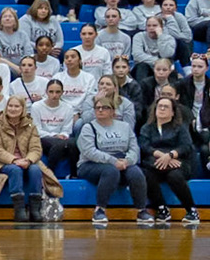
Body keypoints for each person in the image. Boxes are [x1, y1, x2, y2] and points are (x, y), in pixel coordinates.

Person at [77, 95, 148, 226]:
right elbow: (89, 152)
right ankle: (100, 210)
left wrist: (127, 161)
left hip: (121, 161)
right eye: (97, 108)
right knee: (111, 171)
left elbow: (134, 149)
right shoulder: (88, 127)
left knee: (136, 173)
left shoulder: (125, 127)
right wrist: (113, 161)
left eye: (105, 107)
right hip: (91, 164)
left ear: (113, 111)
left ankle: (142, 210)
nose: (100, 110)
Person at [0, 94, 55, 222]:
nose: (13, 109)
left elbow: (36, 149)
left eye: (16, 106)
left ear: (23, 109)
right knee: (15, 169)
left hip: (26, 161)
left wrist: (28, 160)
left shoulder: (30, 126)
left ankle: (35, 209)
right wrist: (14, 160)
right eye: (10, 106)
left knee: (35, 169)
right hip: (1, 162)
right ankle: (19, 209)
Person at [139, 94, 200, 225]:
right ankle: (161, 208)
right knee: (145, 174)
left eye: (166, 107)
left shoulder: (180, 128)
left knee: (174, 176)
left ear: (173, 112)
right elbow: (144, 146)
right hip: (154, 162)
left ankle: (191, 210)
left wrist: (171, 155)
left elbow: (186, 146)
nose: (162, 109)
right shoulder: (147, 128)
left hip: (178, 163)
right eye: (159, 106)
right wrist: (163, 156)